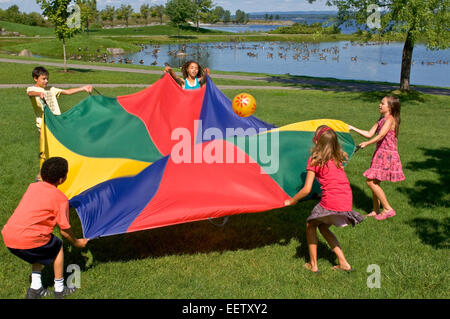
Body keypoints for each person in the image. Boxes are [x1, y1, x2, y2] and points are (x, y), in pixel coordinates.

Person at [1, 157, 88, 299]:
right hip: (29, 240)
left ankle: (35, 289)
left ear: (41, 174)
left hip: (9, 238)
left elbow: (39, 180)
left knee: (39, 246)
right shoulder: (60, 199)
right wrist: (77, 242)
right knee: (57, 246)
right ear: (61, 179)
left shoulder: (33, 186)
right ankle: (59, 290)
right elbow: (65, 231)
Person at [284, 126, 363, 273]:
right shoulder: (337, 158)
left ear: (316, 141)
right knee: (322, 226)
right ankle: (343, 263)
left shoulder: (314, 159)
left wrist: (292, 200)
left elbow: (306, 189)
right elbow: (335, 181)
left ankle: (313, 265)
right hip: (346, 199)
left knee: (310, 225)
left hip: (332, 200)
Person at [349, 96, 404, 221]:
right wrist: (353, 128)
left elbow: (380, 136)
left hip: (387, 155)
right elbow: (369, 133)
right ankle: (375, 210)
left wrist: (366, 144)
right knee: (375, 182)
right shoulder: (381, 119)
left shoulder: (390, 119)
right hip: (380, 153)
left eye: (382, 103)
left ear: (390, 107)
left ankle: (388, 209)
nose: (379, 105)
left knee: (370, 182)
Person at [27, 66, 93, 135]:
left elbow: (68, 92)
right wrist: (39, 93)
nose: (46, 81)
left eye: (47, 79)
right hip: (43, 125)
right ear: (35, 78)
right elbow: (30, 93)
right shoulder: (31, 89)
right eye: (43, 79)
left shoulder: (51, 89)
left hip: (56, 123)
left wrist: (83, 88)